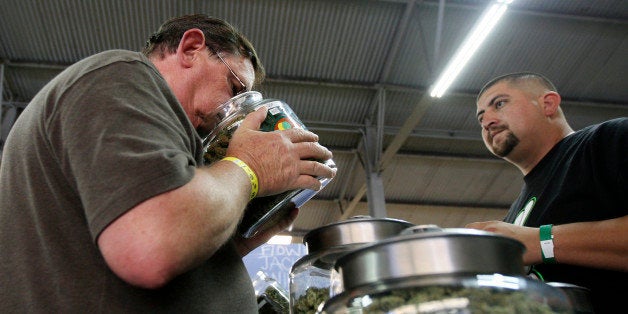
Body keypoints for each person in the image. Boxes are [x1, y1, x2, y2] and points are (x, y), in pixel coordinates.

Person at [0, 14, 336, 312]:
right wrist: (249, 168)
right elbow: (150, 246)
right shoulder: (120, 75)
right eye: (234, 87)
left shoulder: (174, 148)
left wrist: (235, 241)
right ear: (190, 48)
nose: (234, 110)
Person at [466, 72, 627, 313]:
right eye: (480, 119)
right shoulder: (515, 215)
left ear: (548, 104)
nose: (487, 121)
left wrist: (540, 242)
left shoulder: (608, 140)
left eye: (499, 104)